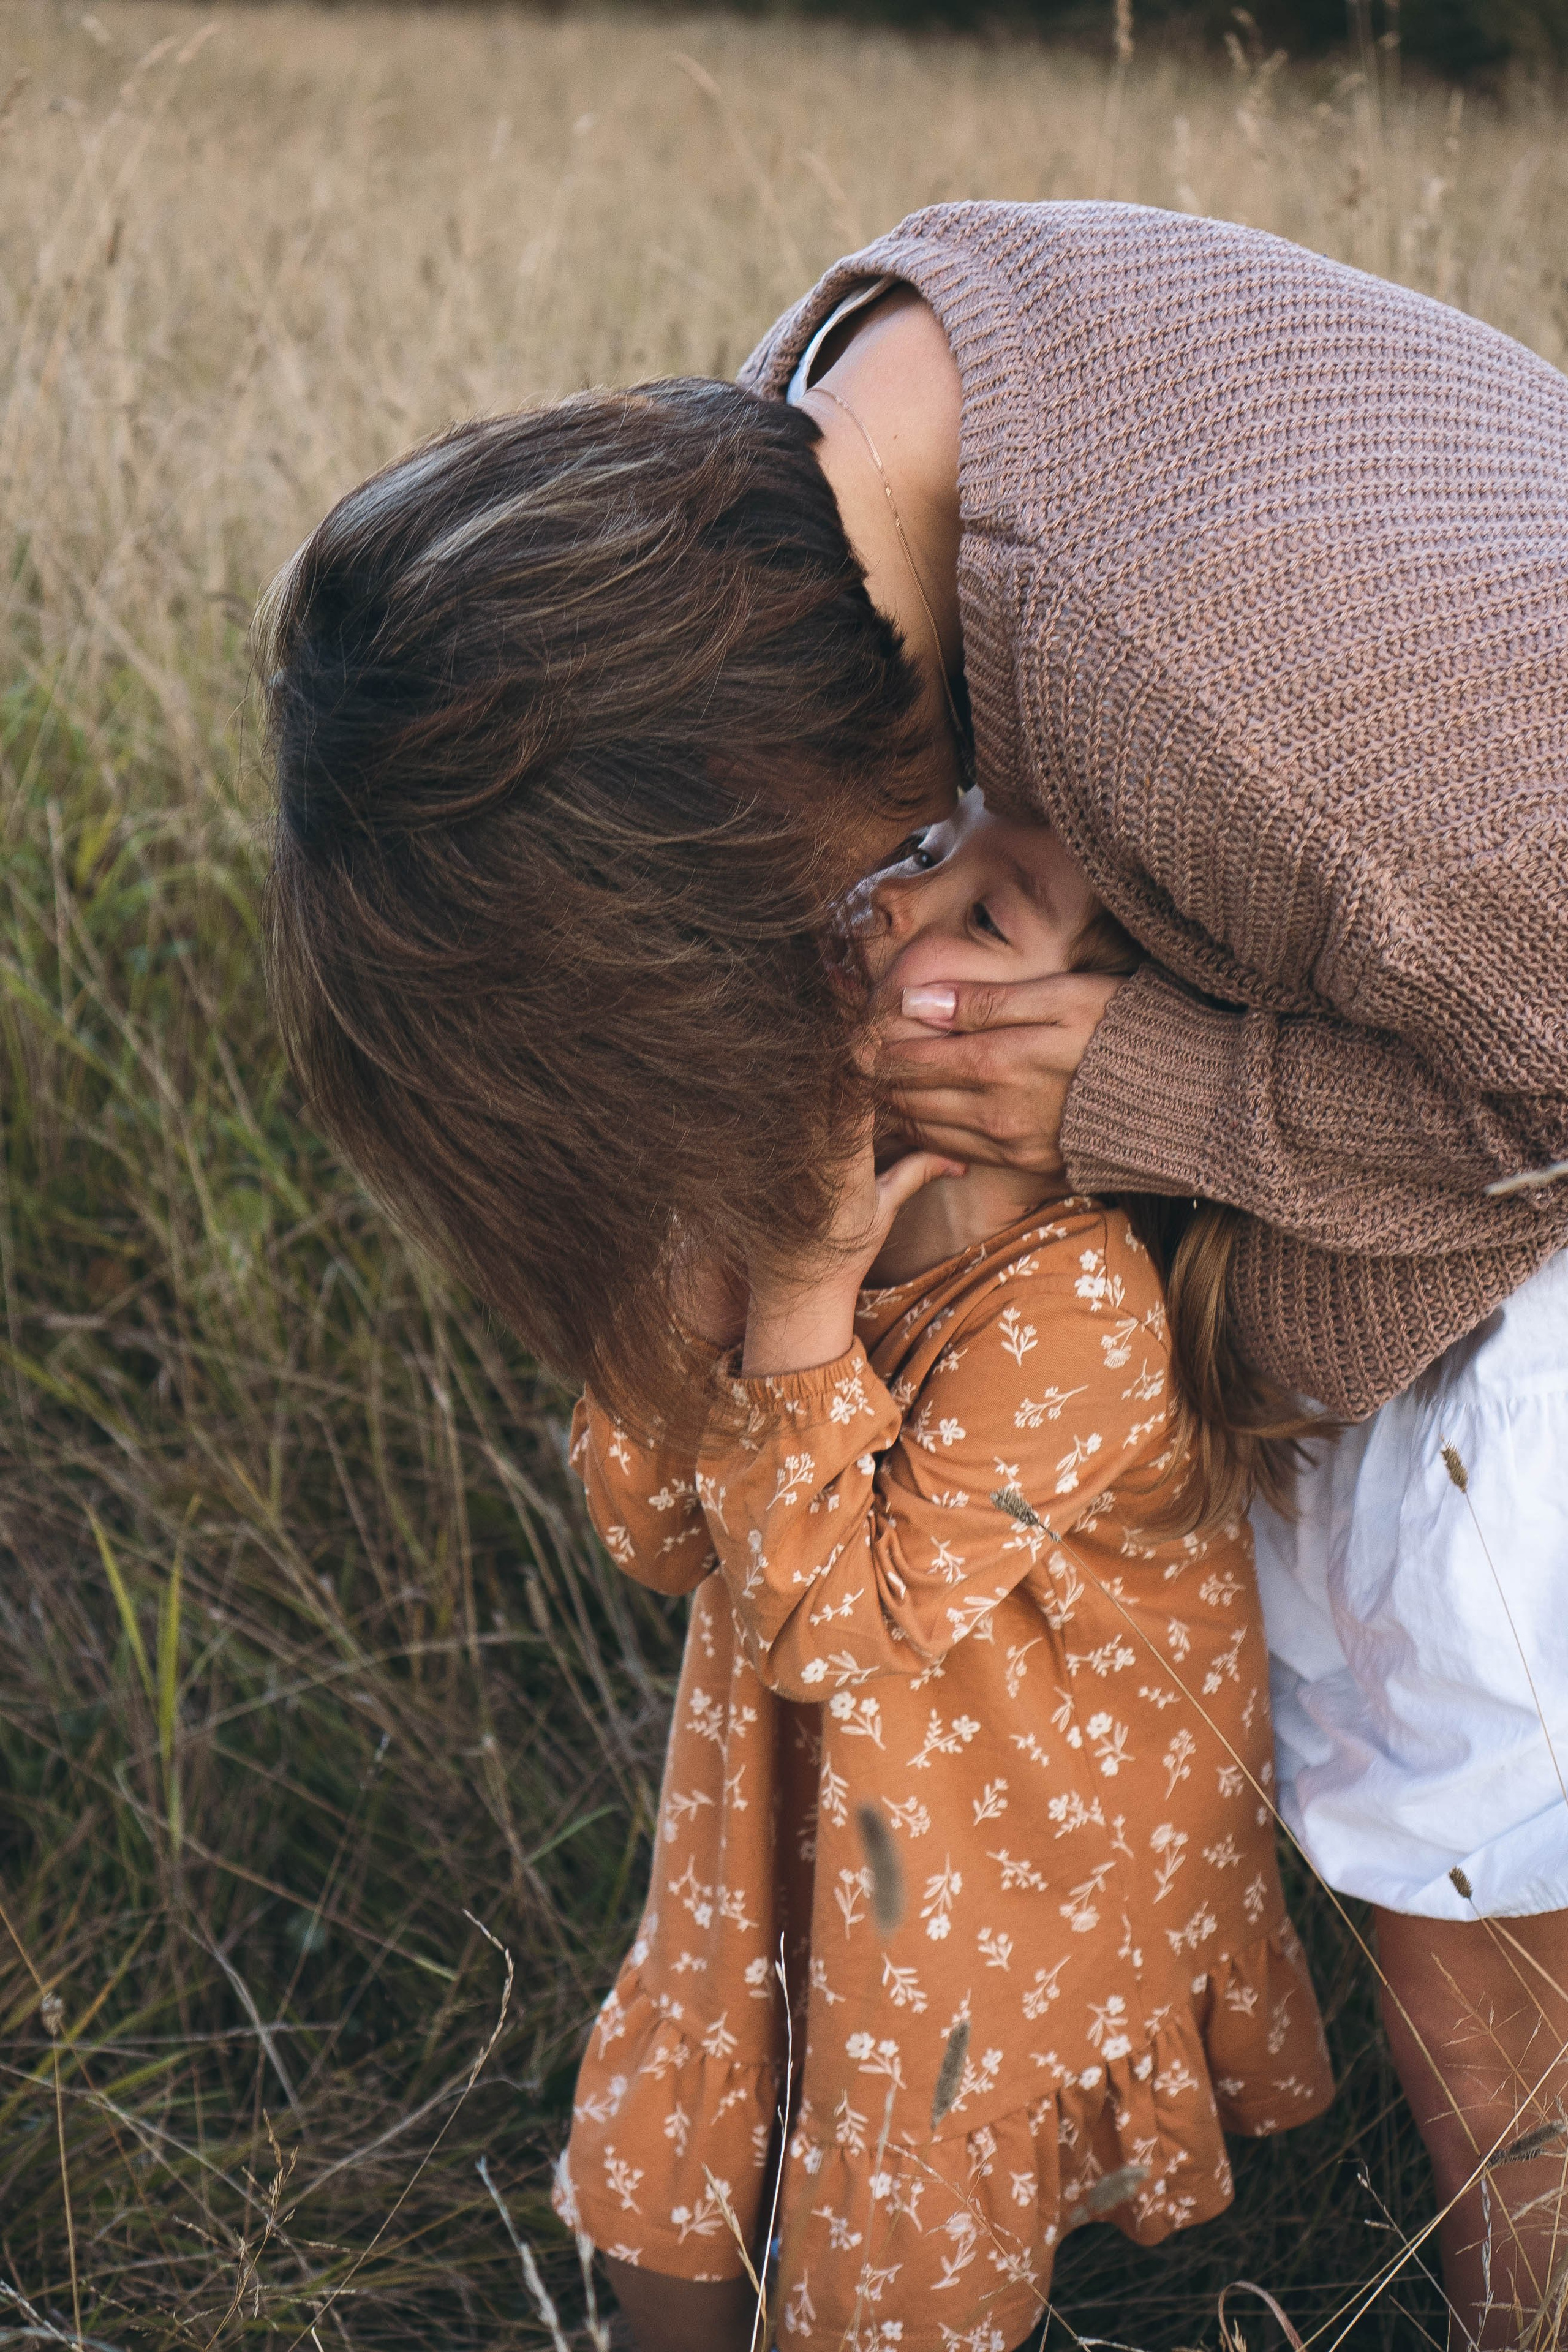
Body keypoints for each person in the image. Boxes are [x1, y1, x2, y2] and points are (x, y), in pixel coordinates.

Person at [262, 203, 1568, 2345]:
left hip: (1525, 1120)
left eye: (902, 902)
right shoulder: (805, 487)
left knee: (1458, 1840)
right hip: (1404, 1029)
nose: (914, 932)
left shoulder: (1218, 697)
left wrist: (1142, 1097)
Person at [557, 786, 1333, 2352]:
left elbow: (829, 1626)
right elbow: (643, 1530)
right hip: (770, 1819)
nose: (891, 899)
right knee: (698, 2121)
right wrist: (746, 1228)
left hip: (993, 1859)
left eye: (984, 915)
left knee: (896, 2212)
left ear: (1087, 1038)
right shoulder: (785, 1175)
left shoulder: (1077, 1307)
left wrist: (791, 1305)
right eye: (922, 852)